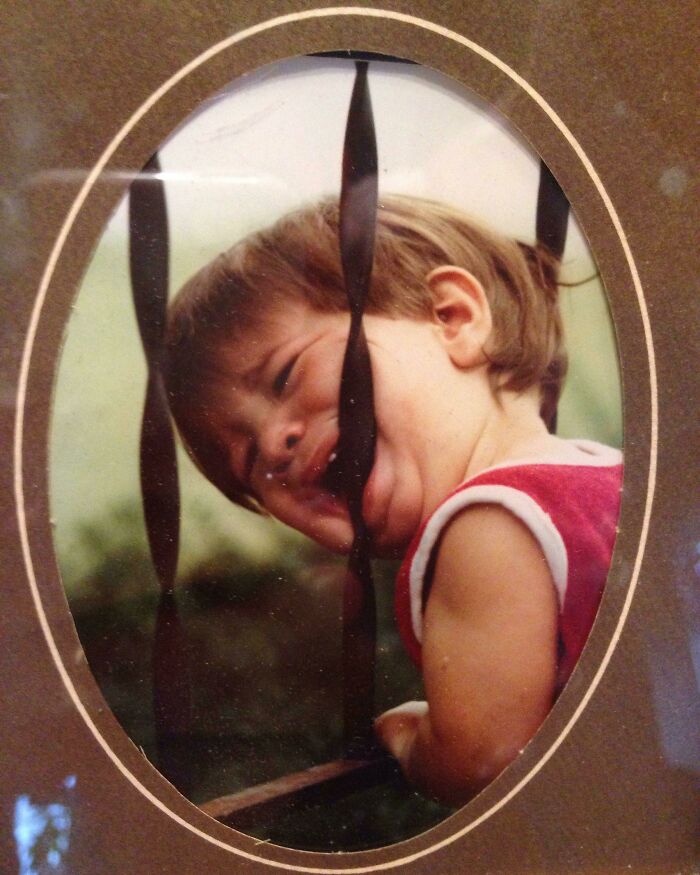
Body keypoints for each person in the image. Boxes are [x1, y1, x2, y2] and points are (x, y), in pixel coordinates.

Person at [164, 194, 622, 806]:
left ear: (453, 316)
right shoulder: (609, 473)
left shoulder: (486, 525)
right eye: (248, 462)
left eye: (285, 376)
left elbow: (481, 760)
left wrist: (412, 739)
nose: (274, 442)